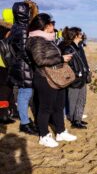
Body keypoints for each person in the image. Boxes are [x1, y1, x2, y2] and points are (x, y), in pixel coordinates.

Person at [26, 13, 77, 147]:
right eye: (51, 23)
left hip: (57, 76)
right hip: (44, 78)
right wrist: (61, 59)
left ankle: (60, 132)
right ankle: (43, 136)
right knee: (45, 108)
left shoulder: (48, 39)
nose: (54, 26)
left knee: (59, 106)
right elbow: (40, 60)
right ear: (45, 26)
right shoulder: (36, 40)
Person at [7, 2, 38, 135]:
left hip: (18, 65)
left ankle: (25, 120)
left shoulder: (15, 27)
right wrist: (34, 62)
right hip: (24, 67)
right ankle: (24, 123)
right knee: (25, 94)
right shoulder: (24, 29)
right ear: (26, 13)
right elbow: (25, 51)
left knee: (23, 93)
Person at [60, 27, 90, 129]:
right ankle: (74, 121)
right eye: (80, 33)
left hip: (83, 77)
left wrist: (87, 71)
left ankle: (78, 118)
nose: (81, 34)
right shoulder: (68, 48)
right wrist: (75, 74)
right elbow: (65, 65)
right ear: (75, 35)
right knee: (73, 100)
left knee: (82, 99)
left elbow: (83, 61)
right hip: (75, 79)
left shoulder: (79, 46)